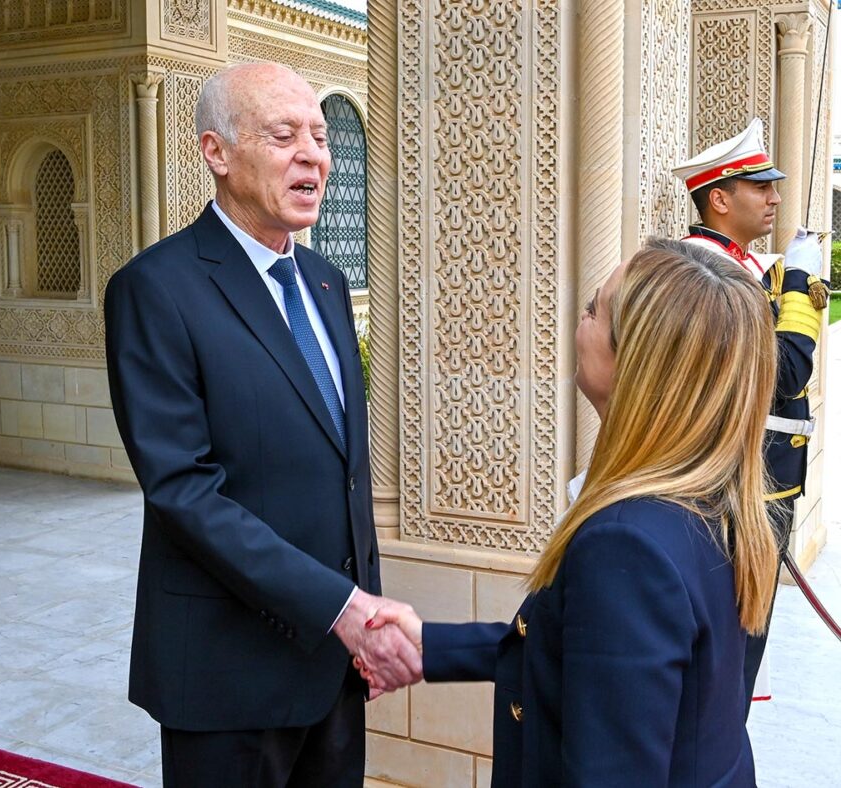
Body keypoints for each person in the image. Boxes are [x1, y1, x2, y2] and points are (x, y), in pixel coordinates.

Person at [104, 62, 420, 787]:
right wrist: (340, 607)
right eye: (285, 135)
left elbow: (341, 471)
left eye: (320, 134)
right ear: (217, 152)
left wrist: (360, 627)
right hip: (227, 674)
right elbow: (183, 489)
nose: (314, 153)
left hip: (334, 665)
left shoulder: (326, 283)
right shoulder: (155, 290)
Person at [361, 239, 781, 786]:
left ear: (633, 362)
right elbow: (584, 650)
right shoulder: (711, 502)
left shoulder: (628, 546)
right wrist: (431, 646)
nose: (579, 324)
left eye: (593, 311)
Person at [673, 118, 829, 707]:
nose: (776, 197)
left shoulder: (738, 267)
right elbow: (785, 374)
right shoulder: (707, 271)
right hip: (735, 501)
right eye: (760, 187)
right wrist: (799, 285)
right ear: (719, 198)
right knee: (724, 680)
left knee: (738, 665)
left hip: (759, 495)